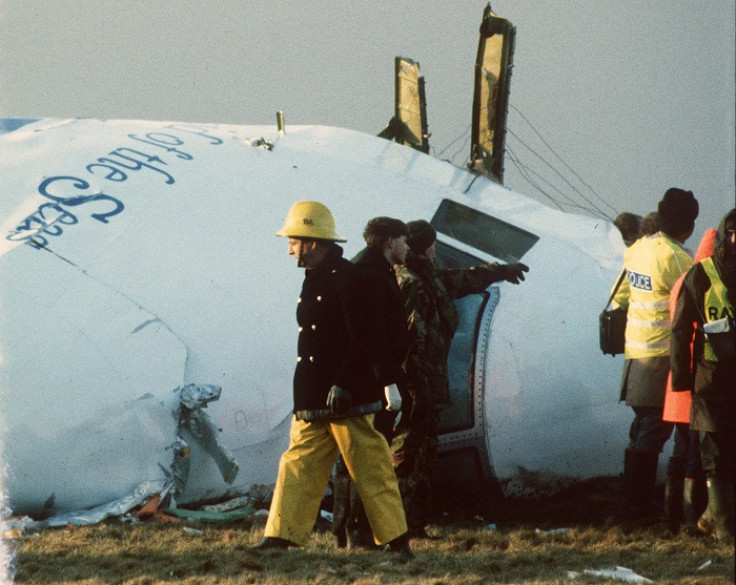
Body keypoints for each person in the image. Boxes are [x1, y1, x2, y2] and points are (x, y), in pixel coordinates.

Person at [252, 201, 413, 560]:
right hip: (315, 397)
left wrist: (344, 384)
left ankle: (397, 542)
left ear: (311, 242)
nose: (289, 248)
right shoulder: (319, 277)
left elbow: (364, 337)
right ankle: (281, 536)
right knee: (298, 464)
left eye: (292, 241)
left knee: (370, 467)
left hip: (345, 396)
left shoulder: (349, 278)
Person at [391, 219, 529, 537]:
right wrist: (416, 387)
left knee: (422, 454)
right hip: (416, 386)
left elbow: (461, 280)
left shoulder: (425, 279)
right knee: (407, 453)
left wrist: (499, 271)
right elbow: (413, 341)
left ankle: (412, 523)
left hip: (427, 385)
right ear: (427, 247)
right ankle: (397, 524)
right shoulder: (411, 282)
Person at [611, 188, 699, 517]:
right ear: (687, 227)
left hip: (635, 354)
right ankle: (638, 505)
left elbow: (619, 297)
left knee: (643, 427)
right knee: (655, 429)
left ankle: (635, 501)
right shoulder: (675, 257)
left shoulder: (637, 249)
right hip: (661, 357)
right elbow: (697, 301)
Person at [331, 216, 409, 550]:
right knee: (368, 459)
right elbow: (371, 335)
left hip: (370, 379)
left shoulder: (370, 270)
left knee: (359, 460)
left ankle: (353, 531)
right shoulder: (371, 275)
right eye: (404, 241)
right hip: (371, 382)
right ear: (389, 241)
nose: (408, 247)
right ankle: (359, 531)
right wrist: (388, 381)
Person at [670, 208, 736, 542]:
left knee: (715, 455)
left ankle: (722, 525)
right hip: (713, 381)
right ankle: (719, 520)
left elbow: (681, 330)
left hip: (711, 379)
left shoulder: (700, 274)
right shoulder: (702, 273)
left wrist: (682, 378)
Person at [661, 229, 716, 533]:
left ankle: (671, 519)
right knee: (697, 452)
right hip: (698, 377)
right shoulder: (709, 282)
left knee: (680, 450)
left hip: (678, 381)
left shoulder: (682, 281)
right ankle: (691, 519)